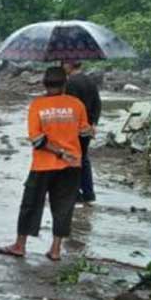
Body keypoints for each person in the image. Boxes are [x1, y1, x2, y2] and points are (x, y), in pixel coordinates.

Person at [0, 67, 92, 262]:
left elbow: (37, 140)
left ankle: (20, 245)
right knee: (64, 206)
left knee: (31, 204)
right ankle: (55, 249)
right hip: (72, 164)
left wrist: (58, 152)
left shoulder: (37, 105)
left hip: (43, 165)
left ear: (44, 84)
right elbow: (85, 133)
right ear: (65, 84)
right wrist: (72, 149)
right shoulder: (77, 104)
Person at [63, 60, 101, 204]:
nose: (62, 66)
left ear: (69, 64)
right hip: (87, 127)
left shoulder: (70, 83)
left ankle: (75, 193)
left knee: (71, 158)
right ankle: (89, 193)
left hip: (75, 127)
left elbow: (70, 107)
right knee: (83, 158)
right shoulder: (90, 80)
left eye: (64, 63)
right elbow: (97, 103)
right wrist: (94, 123)